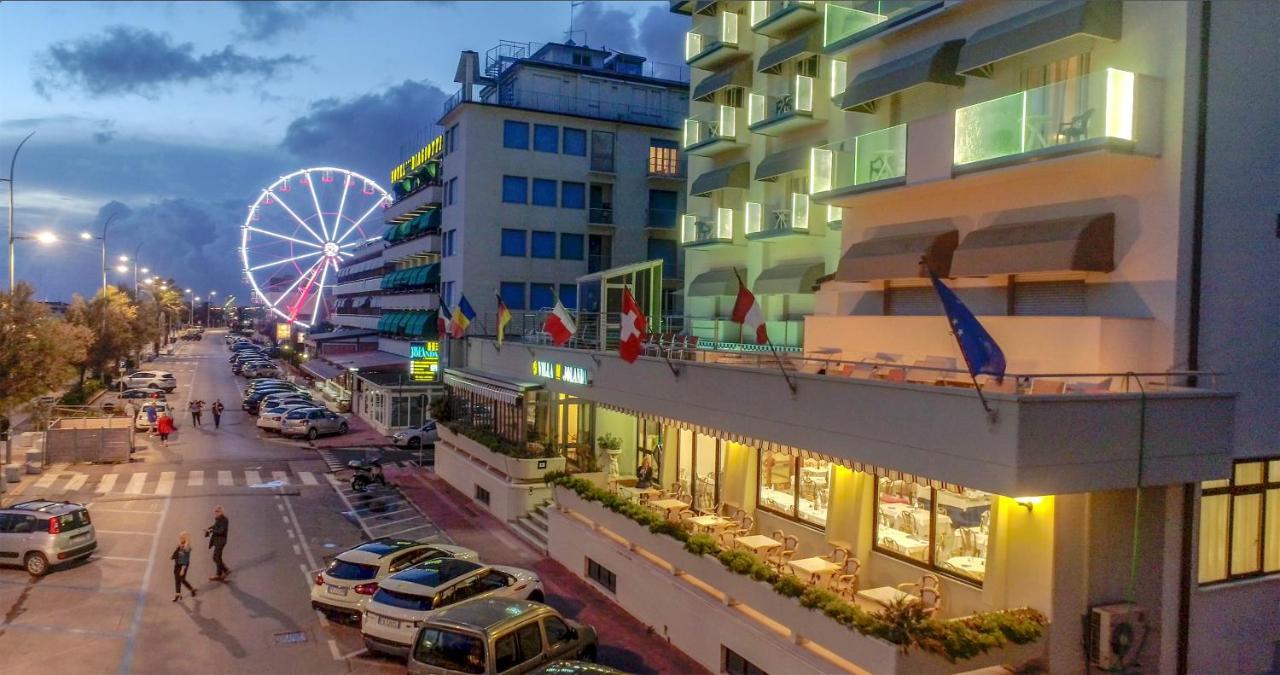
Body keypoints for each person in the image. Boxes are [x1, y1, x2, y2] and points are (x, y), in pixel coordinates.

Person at [205, 506, 230, 581]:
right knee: (217, 557)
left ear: (221, 512)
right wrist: (209, 528)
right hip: (217, 541)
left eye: (217, 511)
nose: (215, 513)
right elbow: (215, 526)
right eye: (215, 511)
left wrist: (211, 531)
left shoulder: (224, 520)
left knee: (216, 557)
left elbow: (221, 530)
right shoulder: (218, 519)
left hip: (221, 541)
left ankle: (219, 574)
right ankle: (225, 570)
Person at [170, 532, 197, 601]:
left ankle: (192, 589)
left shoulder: (187, 548)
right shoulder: (180, 545)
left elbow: (185, 559)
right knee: (177, 579)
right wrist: (172, 557)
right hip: (177, 564)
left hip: (183, 566)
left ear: (185, 538)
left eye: (181, 537)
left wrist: (183, 569)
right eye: (180, 537)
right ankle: (177, 594)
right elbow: (176, 553)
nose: (180, 539)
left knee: (182, 579)